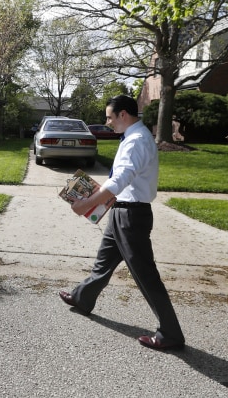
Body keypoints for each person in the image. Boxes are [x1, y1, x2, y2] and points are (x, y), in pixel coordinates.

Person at [59, 95, 185, 351]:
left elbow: (120, 181)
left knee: (146, 276)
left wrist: (86, 204)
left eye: (109, 117)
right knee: (103, 262)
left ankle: (171, 334)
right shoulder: (132, 137)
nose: (107, 122)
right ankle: (82, 298)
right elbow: (119, 181)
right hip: (122, 211)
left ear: (123, 115)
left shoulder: (136, 141)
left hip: (131, 217)